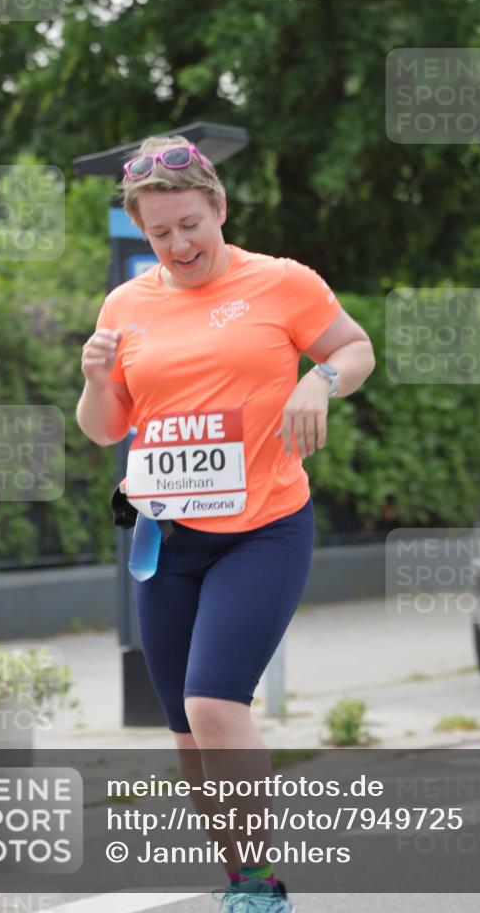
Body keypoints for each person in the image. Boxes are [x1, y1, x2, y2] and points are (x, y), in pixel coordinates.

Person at [76, 135, 376, 910]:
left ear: (218, 208)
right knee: (187, 736)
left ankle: (262, 887)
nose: (177, 245)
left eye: (188, 225)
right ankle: (241, 878)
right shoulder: (125, 305)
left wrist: (320, 382)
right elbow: (107, 428)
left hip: (264, 529)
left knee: (215, 705)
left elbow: (354, 347)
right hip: (166, 541)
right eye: (158, 233)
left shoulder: (280, 283)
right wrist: (95, 379)